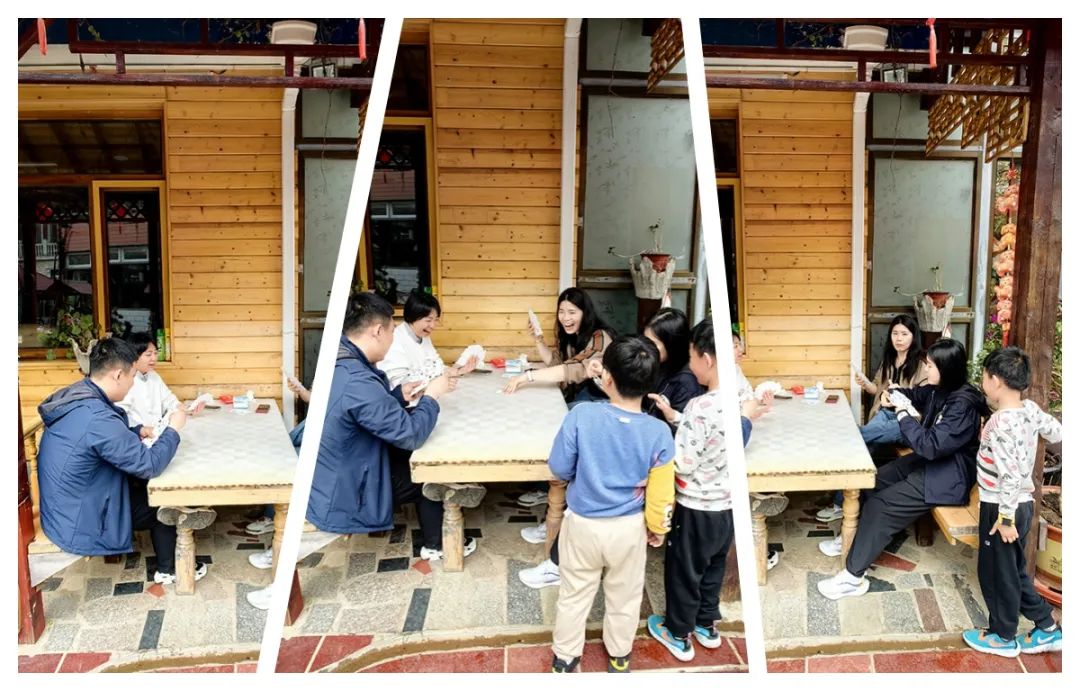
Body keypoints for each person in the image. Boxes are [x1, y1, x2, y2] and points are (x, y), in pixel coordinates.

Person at [306, 292, 479, 562]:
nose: (392, 338)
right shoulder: (358, 380)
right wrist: (432, 396)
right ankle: (437, 545)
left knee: (418, 456)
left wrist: (398, 396)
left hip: (345, 465)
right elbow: (411, 435)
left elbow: (366, 410)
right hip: (347, 488)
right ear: (377, 331)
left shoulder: (343, 362)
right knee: (431, 472)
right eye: (390, 331)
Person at [817, 339, 989, 599]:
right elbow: (914, 395)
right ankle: (850, 540)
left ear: (946, 368)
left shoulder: (962, 404)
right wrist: (895, 394)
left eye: (930, 365)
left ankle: (853, 578)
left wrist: (902, 414)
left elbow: (931, 446)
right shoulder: (939, 389)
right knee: (872, 482)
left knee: (880, 506)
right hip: (930, 463)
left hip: (948, 476)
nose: (926, 369)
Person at [548, 336, 675, 673]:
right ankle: (619, 655)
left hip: (582, 524)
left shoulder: (581, 415)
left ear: (606, 377)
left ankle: (565, 657)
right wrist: (658, 527)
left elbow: (559, 467)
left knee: (574, 593)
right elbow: (662, 492)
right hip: (629, 529)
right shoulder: (660, 432)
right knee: (625, 596)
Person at [36, 338, 205, 585]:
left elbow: (100, 439)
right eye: (132, 376)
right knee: (164, 502)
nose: (133, 382)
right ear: (117, 375)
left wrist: (136, 431)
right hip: (78, 519)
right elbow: (150, 464)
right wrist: (173, 429)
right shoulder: (97, 417)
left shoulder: (81, 395)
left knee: (142, 485)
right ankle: (171, 570)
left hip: (67, 503)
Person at [643, 319, 735, 662]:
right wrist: (674, 417)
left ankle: (678, 633)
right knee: (712, 568)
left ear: (706, 359)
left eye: (693, 355)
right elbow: (714, 435)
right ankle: (706, 625)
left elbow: (684, 462)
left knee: (683, 571)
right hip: (725, 508)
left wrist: (655, 460)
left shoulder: (700, 406)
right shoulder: (737, 399)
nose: (690, 362)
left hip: (695, 508)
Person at [961, 347, 1062, 657]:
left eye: (984, 377)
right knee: (1013, 570)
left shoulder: (1000, 423)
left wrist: (1004, 519)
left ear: (996, 381)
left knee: (996, 574)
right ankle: (1046, 627)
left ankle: (1003, 636)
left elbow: (1009, 474)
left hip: (1002, 509)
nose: (982, 383)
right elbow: (1056, 431)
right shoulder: (1028, 409)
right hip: (1022, 505)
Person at [817, 314, 929, 522]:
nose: (899, 338)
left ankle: (838, 496)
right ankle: (843, 502)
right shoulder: (890, 359)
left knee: (858, 438)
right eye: (895, 333)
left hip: (907, 423)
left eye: (904, 334)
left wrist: (900, 397)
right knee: (863, 447)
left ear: (914, 337)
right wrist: (865, 383)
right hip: (884, 414)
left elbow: (924, 402)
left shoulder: (922, 365)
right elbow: (877, 389)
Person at [504, 287, 616, 407]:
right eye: (561, 311)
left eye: (572, 312)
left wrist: (527, 376)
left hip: (603, 400)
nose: (565, 318)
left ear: (585, 313)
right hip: (583, 395)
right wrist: (538, 339)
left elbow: (576, 369)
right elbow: (555, 363)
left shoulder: (600, 337)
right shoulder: (572, 335)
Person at [378, 289, 479, 390]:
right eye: (428, 320)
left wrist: (459, 371)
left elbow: (436, 366)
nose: (433, 326)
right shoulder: (394, 339)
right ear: (413, 317)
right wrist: (435, 384)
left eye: (436, 320)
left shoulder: (423, 336)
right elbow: (399, 384)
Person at [117, 332, 201, 434]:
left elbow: (168, 399)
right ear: (133, 356)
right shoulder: (125, 380)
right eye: (148, 354)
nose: (154, 358)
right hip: (136, 435)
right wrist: (141, 430)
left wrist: (186, 408)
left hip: (156, 432)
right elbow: (121, 415)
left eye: (155, 353)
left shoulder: (154, 376)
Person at [640, 308, 705, 429]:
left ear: (672, 344)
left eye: (652, 344)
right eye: (645, 340)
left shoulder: (686, 382)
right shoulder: (656, 362)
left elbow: (683, 432)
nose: (645, 348)